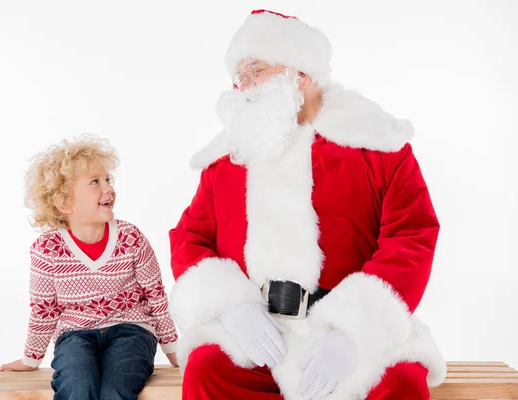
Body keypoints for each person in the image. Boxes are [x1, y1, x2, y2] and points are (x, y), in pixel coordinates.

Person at [168, 9, 445, 400]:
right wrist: (231, 307)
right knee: (208, 371)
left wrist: (353, 332)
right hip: (259, 332)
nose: (242, 86)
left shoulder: (379, 146)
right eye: (238, 76)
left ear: (300, 74)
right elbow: (190, 236)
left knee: (398, 385)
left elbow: (412, 236)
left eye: (255, 70)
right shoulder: (228, 159)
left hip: (346, 336)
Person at [0, 134, 178, 400]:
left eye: (108, 179)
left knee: (115, 389)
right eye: (95, 182)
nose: (108, 188)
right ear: (65, 203)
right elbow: (44, 311)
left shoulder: (131, 238)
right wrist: (30, 359)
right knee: (77, 385)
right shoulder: (47, 249)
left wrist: (173, 351)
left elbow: (155, 296)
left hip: (132, 330)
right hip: (76, 335)